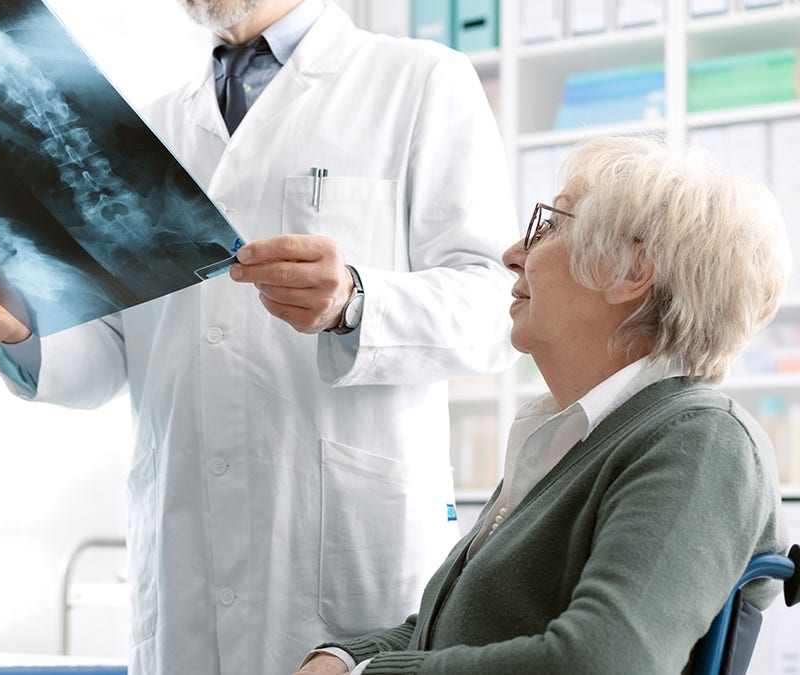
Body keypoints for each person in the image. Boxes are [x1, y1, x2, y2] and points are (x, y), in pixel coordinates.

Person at [0, 0, 516, 672]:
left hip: (349, 577)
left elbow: (498, 305)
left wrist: (355, 299)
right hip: (185, 577)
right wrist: (21, 330)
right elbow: (112, 353)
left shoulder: (419, 82)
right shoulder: (148, 125)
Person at [295, 135, 791, 675]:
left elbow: (604, 662)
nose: (512, 257)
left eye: (549, 226)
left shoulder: (701, 442)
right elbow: (457, 628)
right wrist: (345, 659)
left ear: (630, 271)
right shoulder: (571, 436)